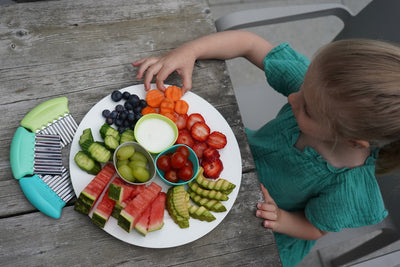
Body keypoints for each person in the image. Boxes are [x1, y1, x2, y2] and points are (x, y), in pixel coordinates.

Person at [133, 30, 400, 266]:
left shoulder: (346, 186)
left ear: (352, 140)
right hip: (228, 162)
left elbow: (316, 229)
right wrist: (189, 51)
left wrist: (282, 219)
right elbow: (248, 43)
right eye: (303, 89)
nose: (294, 96)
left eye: (306, 108)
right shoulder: (318, 92)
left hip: (260, 225)